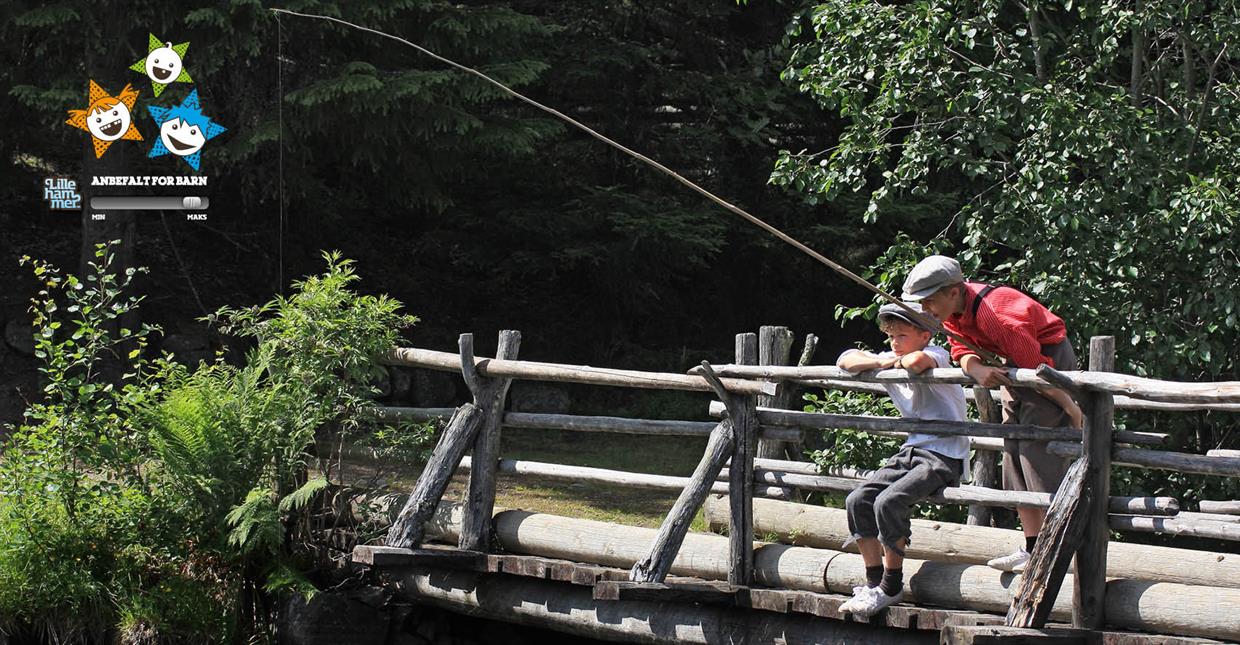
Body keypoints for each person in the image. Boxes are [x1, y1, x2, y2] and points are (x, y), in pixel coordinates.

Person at [902, 255, 1084, 573]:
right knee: (1012, 452)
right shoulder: (954, 312)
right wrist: (977, 368)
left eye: (929, 300)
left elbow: (1039, 371)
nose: (926, 308)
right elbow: (960, 350)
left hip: (1047, 366)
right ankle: (1032, 546)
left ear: (954, 291)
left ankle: (1057, 547)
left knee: (1035, 453)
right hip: (1014, 368)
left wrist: (1069, 406)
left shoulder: (997, 317)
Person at [836, 302, 969, 617]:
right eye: (891, 336)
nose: (895, 342)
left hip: (944, 453)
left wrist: (885, 363)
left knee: (888, 502)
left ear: (925, 335)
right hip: (912, 449)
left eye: (902, 335)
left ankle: (891, 586)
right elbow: (846, 359)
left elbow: (916, 363)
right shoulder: (892, 357)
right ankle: (874, 582)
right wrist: (884, 361)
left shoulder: (939, 354)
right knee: (858, 499)